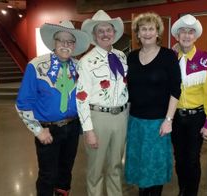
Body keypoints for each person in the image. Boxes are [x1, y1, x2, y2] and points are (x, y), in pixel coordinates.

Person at [15, 20, 90, 196]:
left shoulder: (79, 67)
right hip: (48, 130)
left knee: (66, 173)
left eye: (69, 41)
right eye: (61, 40)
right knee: (48, 175)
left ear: (74, 45)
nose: (65, 45)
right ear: (54, 43)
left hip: (72, 128)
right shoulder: (36, 65)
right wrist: (38, 130)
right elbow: (23, 102)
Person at [124, 12, 181, 196]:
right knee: (140, 167)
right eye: (143, 29)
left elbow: (175, 90)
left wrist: (169, 120)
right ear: (138, 33)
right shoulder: (131, 58)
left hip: (158, 123)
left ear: (158, 33)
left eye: (151, 29)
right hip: (135, 122)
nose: (147, 33)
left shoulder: (168, 56)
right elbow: (128, 92)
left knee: (154, 170)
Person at [76, 10, 128, 196]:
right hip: (98, 118)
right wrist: (88, 130)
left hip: (121, 117)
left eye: (109, 30)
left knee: (115, 165)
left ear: (114, 33)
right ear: (94, 35)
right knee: (96, 168)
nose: (106, 34)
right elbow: (81, 98)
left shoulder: (122, 57)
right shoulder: (86, 61)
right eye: (101, 31)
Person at [170, 14, 207, 196]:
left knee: (192, 159)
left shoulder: (205, 60)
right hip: (175, 117)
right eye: (183, 32)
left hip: (196, 117)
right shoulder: (170, 57)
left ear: (196, 36)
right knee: (179, 159)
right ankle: (183, 190)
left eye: (191, 32)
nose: (187, 35)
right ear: (177, 35)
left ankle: (191, 193)